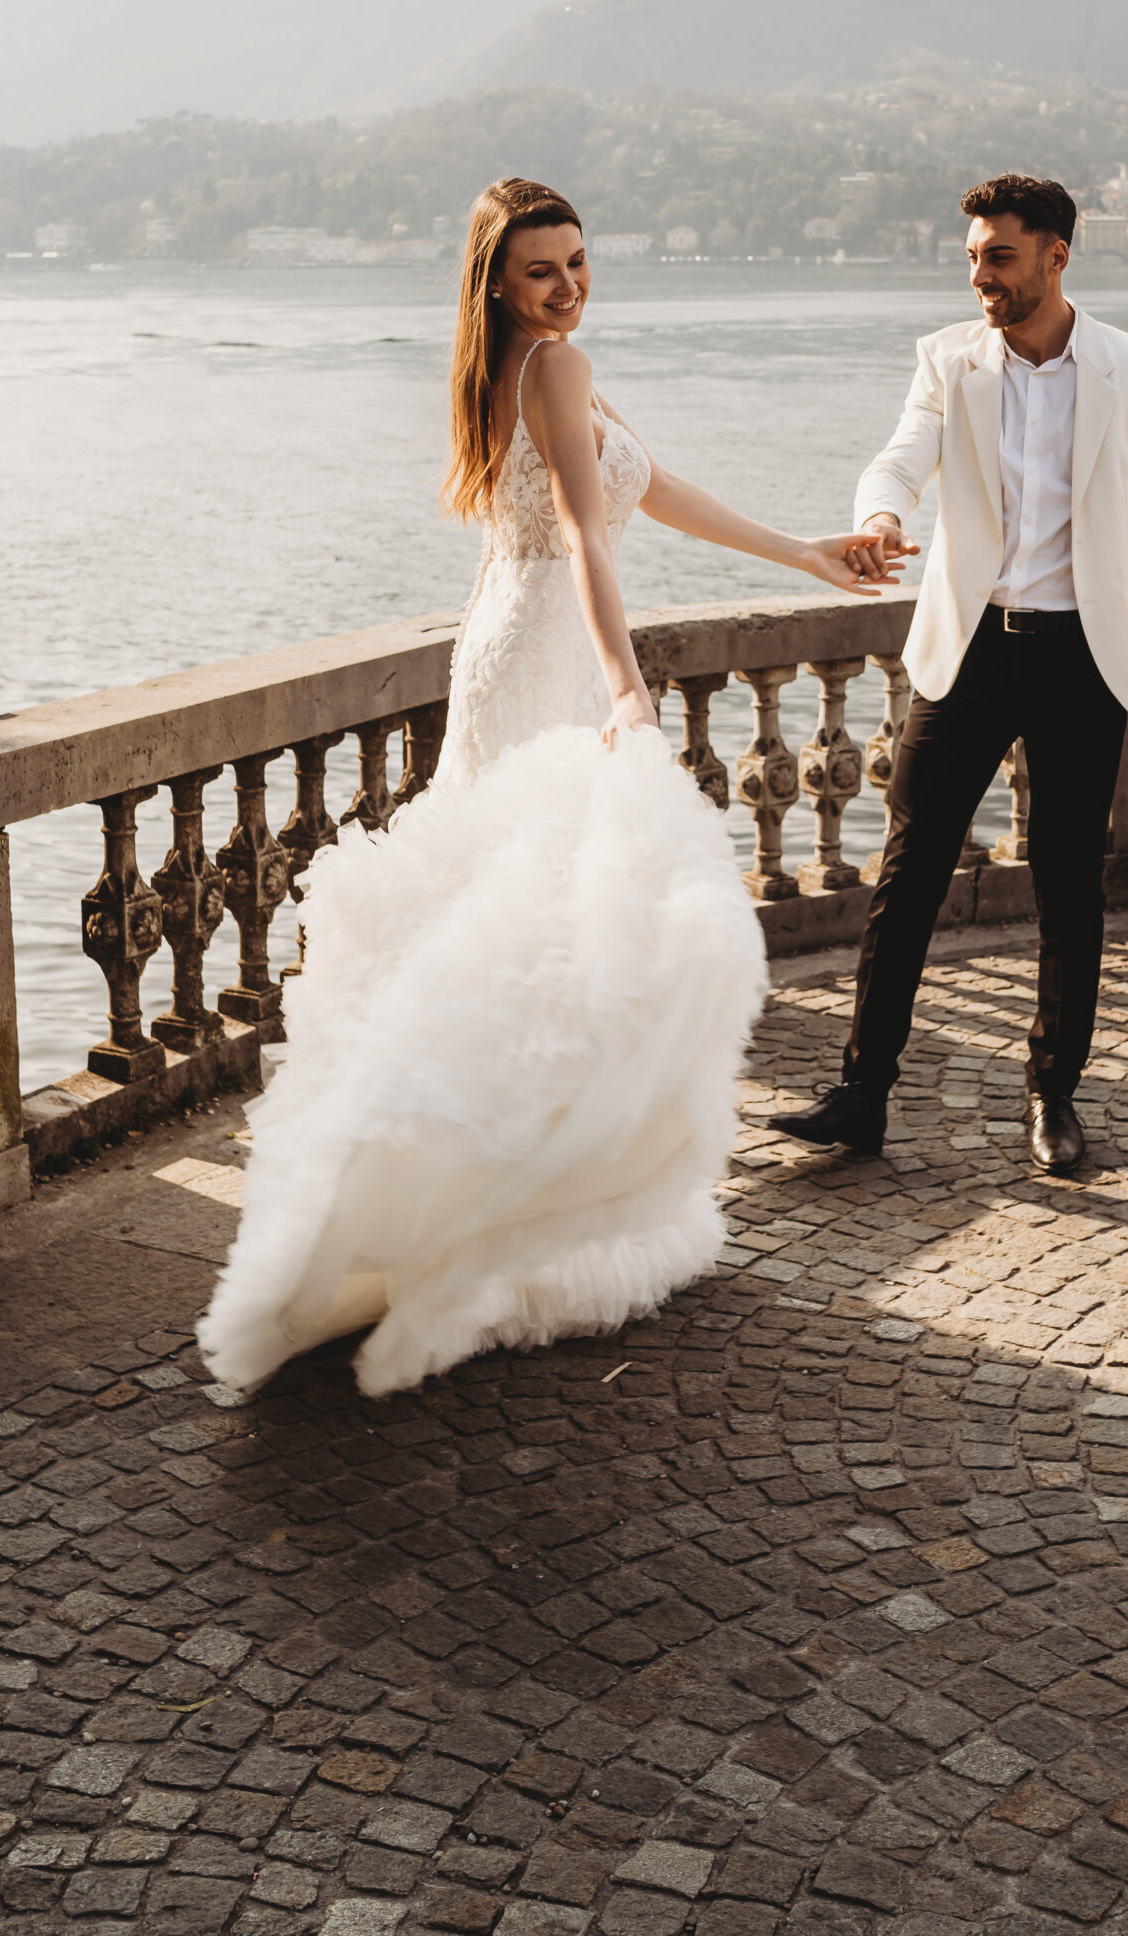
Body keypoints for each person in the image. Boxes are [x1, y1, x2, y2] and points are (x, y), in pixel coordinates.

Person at [199, 177, 904, 1399]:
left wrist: (804, 550)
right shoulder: (553, 368)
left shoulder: (532, 362)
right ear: (499, 282)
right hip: (547, 650)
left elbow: (649, 489)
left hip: (509, 635)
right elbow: (589, 532)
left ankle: (476, 1193)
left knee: (516, 913)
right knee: (541, 915)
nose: (569, 284)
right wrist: (626, 687)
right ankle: (508, 1207)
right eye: (543, 270)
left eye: (579, 260)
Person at [769, 173, 1128, 1176]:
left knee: (1067, 880)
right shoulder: (947, 362)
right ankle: (862, 1093)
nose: (980, 276)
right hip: (966, 651)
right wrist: (880, 516)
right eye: (971, 256)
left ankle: (1053, 1095)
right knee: (910, 870)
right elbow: (898, 458)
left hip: (1084, 660)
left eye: (998, 256)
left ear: (1056, 254)